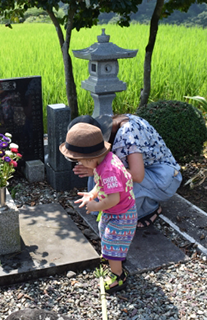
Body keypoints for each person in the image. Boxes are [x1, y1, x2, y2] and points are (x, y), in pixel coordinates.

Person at [59, 122, 136, 294]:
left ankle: (118, 275)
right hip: (115, 211)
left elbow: (114, 198)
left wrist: (96, 205)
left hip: (121, 214)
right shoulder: (106, 161)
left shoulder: (108, 170)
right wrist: (93, 194)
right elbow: (103, 185)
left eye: (80, 161)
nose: (80, 164)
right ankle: (113, 256)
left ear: (90, 159)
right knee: (106, 234)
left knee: (112, 240)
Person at [71, 114, 182, 229]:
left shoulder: (127, 135)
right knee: (101, 168)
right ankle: (104, 209)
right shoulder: (111, 122)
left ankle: (148, 210)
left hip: (165, 178)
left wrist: (96, 170)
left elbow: (137, 175)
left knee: (115, 179)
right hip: (148, 170)